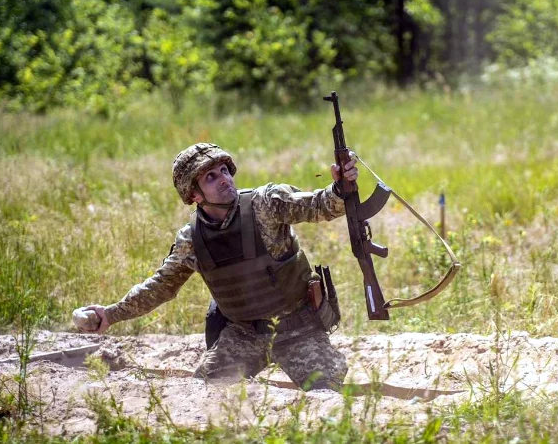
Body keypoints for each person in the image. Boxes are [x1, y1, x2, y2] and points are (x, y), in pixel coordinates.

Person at [81, 142, 358, 390]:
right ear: (194, 195)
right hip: (244, 334)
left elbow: (320, 206)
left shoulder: (266, 203)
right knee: (207, 388)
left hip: (298, 328)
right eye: (210, 177)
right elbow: (160, 288)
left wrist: (339, 188)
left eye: (225, 170)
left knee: (324, 389)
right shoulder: (191, 239)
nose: (223, 179)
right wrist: (111, 314)